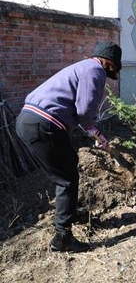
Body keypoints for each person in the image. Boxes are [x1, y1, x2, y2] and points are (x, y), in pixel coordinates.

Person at [15, 41, 122, 252]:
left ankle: (70, 212)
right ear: (110, 63)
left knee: (70, 162)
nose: (112, 74)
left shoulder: (81, 67)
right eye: (114, 69)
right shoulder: (95, 70)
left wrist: (91, 131)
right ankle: (62, 238)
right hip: (43, 124)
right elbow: (84, 112)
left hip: (28, 120)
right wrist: (96, 133)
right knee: (67, 178)